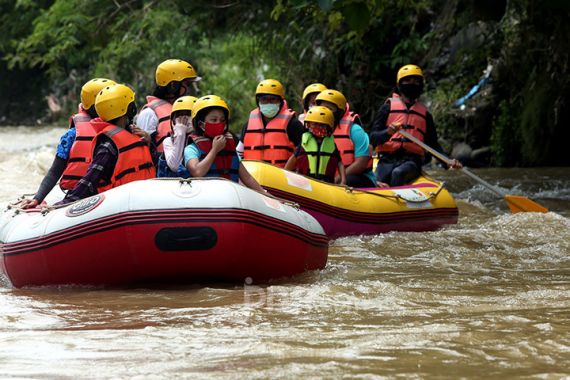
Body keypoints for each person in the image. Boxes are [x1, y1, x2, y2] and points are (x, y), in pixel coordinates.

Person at [21, 78, 116, 209]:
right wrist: (38, 198)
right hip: (81, 196)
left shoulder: (124, 130)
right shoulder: (72, 135)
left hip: (113, 195)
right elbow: (55, 171)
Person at [57, 83, 156, 205]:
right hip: (118, 204)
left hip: (142, 198)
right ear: (130, 109)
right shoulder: (108, 145)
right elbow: (90, 179)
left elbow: (154, 165)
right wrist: (66, 203)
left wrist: (150, 144)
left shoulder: (137, 136)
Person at [370, 64, 462, 187]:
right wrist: (388, 132)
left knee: (398, 173)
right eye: (407, 80)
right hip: (386, 159)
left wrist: (447, 161)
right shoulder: (387, 108)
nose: (412, 84)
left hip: (411, 161)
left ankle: (397, 203)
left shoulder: (425, 115)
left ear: (421, 86)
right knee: (375, 182)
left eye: (416, 81)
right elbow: (373, 137)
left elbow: (432, 144)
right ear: (400, 84)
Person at [184, 95, 265, 192]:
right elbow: (197, 172)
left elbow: (248, 179)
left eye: (222, 120)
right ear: (201, 124)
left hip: (230, 199)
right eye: (214, 120)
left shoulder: (229, 145)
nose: (219, 123)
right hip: (205, 200)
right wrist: (214, 150)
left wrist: (266, 194)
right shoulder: (191, 149)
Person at [137, 59, 201, 156]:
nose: (189, 89)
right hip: (163, 169)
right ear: (173, 86)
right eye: (187, 84)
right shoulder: (149, 113)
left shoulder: (186, 109)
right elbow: (144, 153)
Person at [315, 89, 376, 188]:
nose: (325, 112)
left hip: (358, 177)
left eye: (330, 109)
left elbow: (361, 163)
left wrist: (338, 178)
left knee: (350, 180)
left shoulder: (355, 129)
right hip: (329, 179)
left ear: (339, 111)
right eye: (322, 108)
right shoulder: (316, 130)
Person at [237, 79, 304, 168]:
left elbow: (303, 154)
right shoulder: (248, 125)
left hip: (282, 178)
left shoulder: (293, 124)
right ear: (258, 101)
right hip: (253, 178)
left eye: (273, 99)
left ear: (280, 101)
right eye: (264, 99)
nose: (269, 103)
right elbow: (238, 153)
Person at [285, 106, 345, 185]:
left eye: (322, 125)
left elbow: (339, 163)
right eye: (315, 124)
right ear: (308, 125)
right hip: (305, 183)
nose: (318, 127)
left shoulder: (331, 145)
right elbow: (292, 159)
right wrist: (285, 175)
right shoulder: (304, 143)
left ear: (329, 127)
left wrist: (343, 181)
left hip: (326, 183)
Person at [156, 95, 197, 178]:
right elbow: (175, 166)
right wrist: (180, 132)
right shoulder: (168, 141)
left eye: (189, 114)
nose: (184, 119)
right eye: (180, 115)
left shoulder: (201, 140)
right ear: (173, 121)